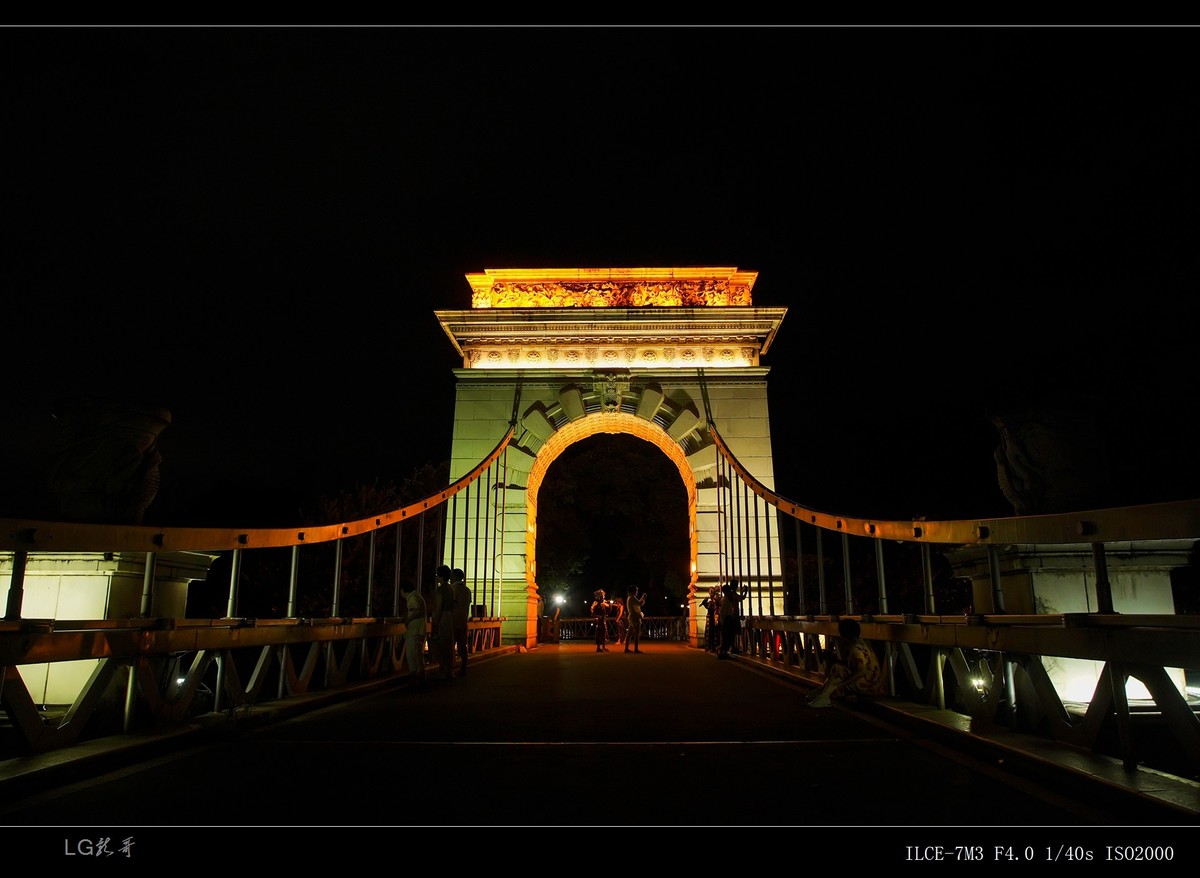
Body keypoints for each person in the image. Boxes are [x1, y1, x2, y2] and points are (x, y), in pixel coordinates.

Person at [806, 618, 884, 708]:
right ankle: (822, 693)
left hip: (869, 685)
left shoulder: (856, 649)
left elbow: (862, 670)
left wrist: (844, 683)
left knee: (838, 670)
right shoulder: (862, 644)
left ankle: (824, 696)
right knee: (838, 670)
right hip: (873, 683)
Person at [401, 579, 427, 687]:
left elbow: (416, 610)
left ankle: (414, 676)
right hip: (420, 628)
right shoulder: (418, 596)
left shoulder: (412, 598)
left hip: (414, 629)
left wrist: (408, 619)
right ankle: (420, 676)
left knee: (411, 654)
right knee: (418, 654)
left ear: (403, 590)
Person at [432, 564, 457, 680]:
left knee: (441, 644)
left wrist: (434, 624)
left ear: (441, 576)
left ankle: (443, 669)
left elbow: (438, 607)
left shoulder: (440, 589)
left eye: (437, 575)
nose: (436, 577)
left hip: (442, 617)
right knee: (449, 644)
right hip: (449, 616)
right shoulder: (451, 588)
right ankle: (450, 669)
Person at [450, 567, 472, 677]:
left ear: (454, 577)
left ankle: (450, 668)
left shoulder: (452, 589)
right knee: (462, 646)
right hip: (463, 621)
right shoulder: (467, 590)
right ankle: (463, 667)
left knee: (450, 645)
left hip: (452, 621)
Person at [717, 580, 745, 659]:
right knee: (727, 636)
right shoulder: (727, 599)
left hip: (727, 619)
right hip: (728, 619)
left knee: (727, 636)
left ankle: (724, 652)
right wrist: (722, 622)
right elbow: (723, 611)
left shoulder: (725, 599)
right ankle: (723, 653)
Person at [624, 587, 645, 653]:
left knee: (629, 634)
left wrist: (641, 599)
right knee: (636, 633)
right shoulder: (632, 597)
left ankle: (626, 648)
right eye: (636, 590)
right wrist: (643, 597)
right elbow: (639, 603)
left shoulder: (629, 598)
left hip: (631, 617)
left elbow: (638, 603)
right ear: (633, 591)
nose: (637, 592)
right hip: (635, 617)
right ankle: (636, 649)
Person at [701, 586, 721, 652]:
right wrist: (705, 603)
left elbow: (715, 608)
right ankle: (710, 646)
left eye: (712, 592)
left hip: (714, 618)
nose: (711, 593)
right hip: (710, 619)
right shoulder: (710, 601)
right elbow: (709, 608)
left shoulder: (715, 600)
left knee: (714, 632)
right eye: (710, 592)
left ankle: (714, 646)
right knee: (710, 633)